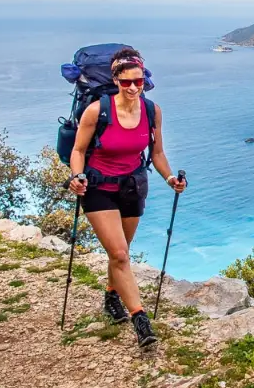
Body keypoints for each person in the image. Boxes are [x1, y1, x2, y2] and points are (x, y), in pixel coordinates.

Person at [67, 47, 186, 347]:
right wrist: (76, 177)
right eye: (126, 82)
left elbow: (156, 153)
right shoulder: (97, 111)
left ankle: (110, 296)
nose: (133, 88)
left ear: (145, 80)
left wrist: (170, 178)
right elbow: (78, 151)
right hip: (98, 188)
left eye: (138, 82)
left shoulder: (151, 111)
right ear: (115, 80)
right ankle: (141, 321)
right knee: (119, 254)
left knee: (121, 250)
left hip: (133, 186)